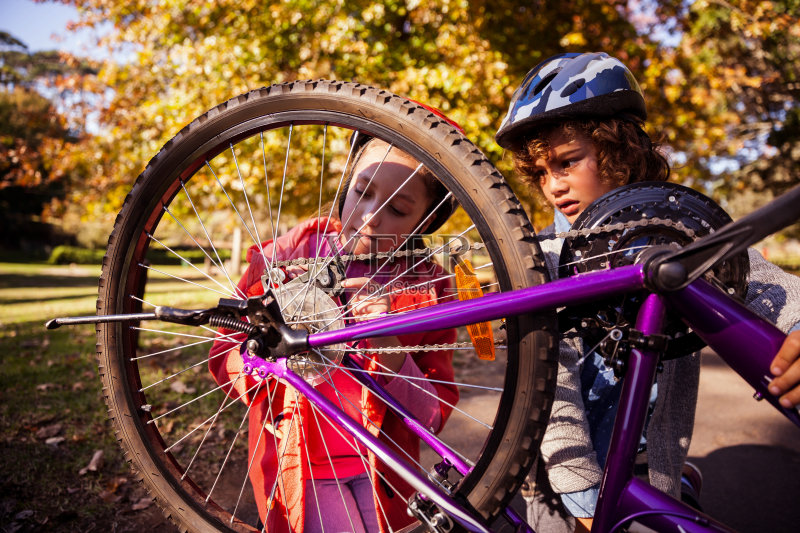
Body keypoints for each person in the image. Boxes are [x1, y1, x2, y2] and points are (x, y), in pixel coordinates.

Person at [494, 51, 800, 532]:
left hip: (649, 471)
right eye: (540, 173)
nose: (552, 186)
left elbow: (767, 285)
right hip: (562, 481)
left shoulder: (680, 234)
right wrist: (581, 493)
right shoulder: (545, 256)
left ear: (619, 150)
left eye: (567, 162)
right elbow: (551, 377)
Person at [208, 129, 460, 533]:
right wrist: (269, 353)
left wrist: (388, 342)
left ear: (425, 220)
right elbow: (224, 355)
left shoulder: (429, 290)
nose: (371, 216)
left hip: (384, 471)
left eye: (398, 209)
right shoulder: (282, 258)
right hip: (301, 466)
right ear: (346, 183)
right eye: (363, 191)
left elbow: (432, 415)